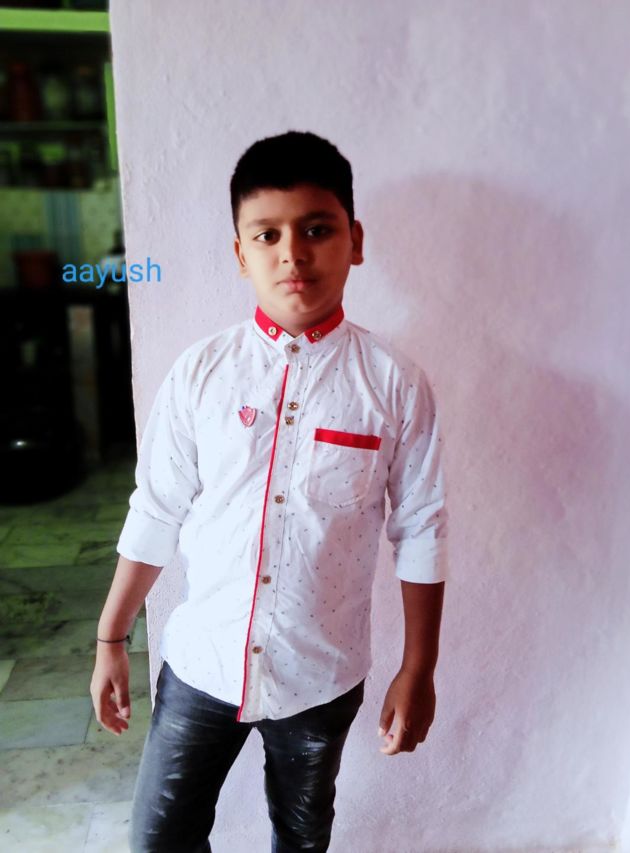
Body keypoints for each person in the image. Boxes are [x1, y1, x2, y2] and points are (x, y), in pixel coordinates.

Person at [90, 129, 449, 853]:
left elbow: (421, 528)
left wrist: (419, 668)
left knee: (302, 835)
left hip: (321, 674)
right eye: (268, 234)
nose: (293, 253)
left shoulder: (393, 385)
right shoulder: (201, 374)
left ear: (354, 241)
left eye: (317, 230)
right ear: (240, 253)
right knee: (159, 839)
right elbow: (156, 509)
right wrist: (110, 638)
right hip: (203, 665)